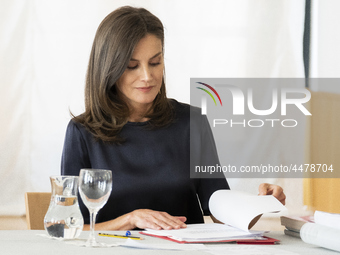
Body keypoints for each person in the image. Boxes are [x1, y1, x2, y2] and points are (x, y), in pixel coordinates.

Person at [61, 6, 286, 231]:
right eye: (132, 66)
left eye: (155, 62)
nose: (147, 76)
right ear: (108, 68)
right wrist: (130, 220)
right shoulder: (82, 133)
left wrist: (259, 203)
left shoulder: (192, 122)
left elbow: (221, 214)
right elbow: (67, 227)